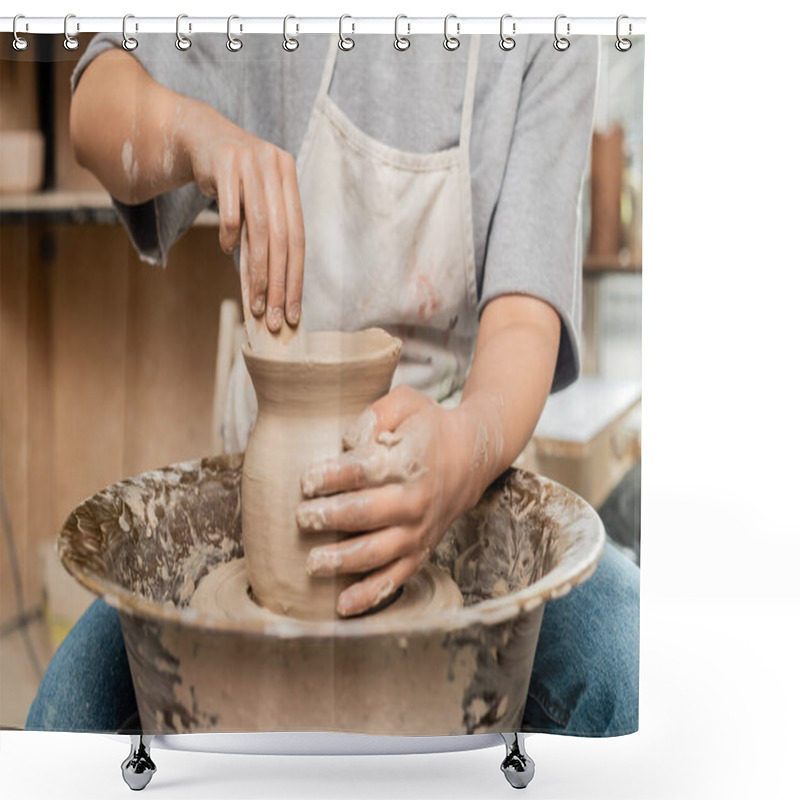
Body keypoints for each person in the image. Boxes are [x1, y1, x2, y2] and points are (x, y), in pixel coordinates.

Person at [27, 30, 638, 736]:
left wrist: (462, 451)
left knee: (628, 665)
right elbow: (97, 104)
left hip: (462, 483)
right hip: (264, 512)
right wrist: (197, 132)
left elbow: (524, 325)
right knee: (72, 705)